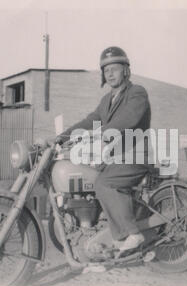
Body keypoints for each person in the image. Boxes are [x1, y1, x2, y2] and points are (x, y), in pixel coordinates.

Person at [56, 46, 151, 252]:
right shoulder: (107, 100)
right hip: (115, 157)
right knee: (89, 178)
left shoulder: (137, 93)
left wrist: (104, 132)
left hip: (135, 156)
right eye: (105, 70)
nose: (109, 73)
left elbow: (128, 118)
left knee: (105, 183)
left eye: (114, 68)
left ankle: (131, 234)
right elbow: (90, 121)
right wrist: (60, 139)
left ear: (126, 70)